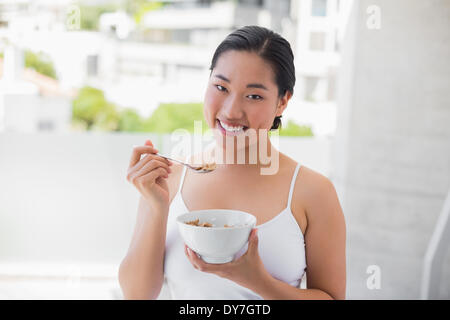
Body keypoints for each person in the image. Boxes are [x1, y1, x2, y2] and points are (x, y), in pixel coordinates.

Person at [119, 25, 346, 300]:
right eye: (221, 87)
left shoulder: (314, 192)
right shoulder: (169, 179)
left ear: (282, 102)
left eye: (254, 96)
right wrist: (157, 207)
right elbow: (137, 295)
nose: (230, 111)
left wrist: (259, 281)